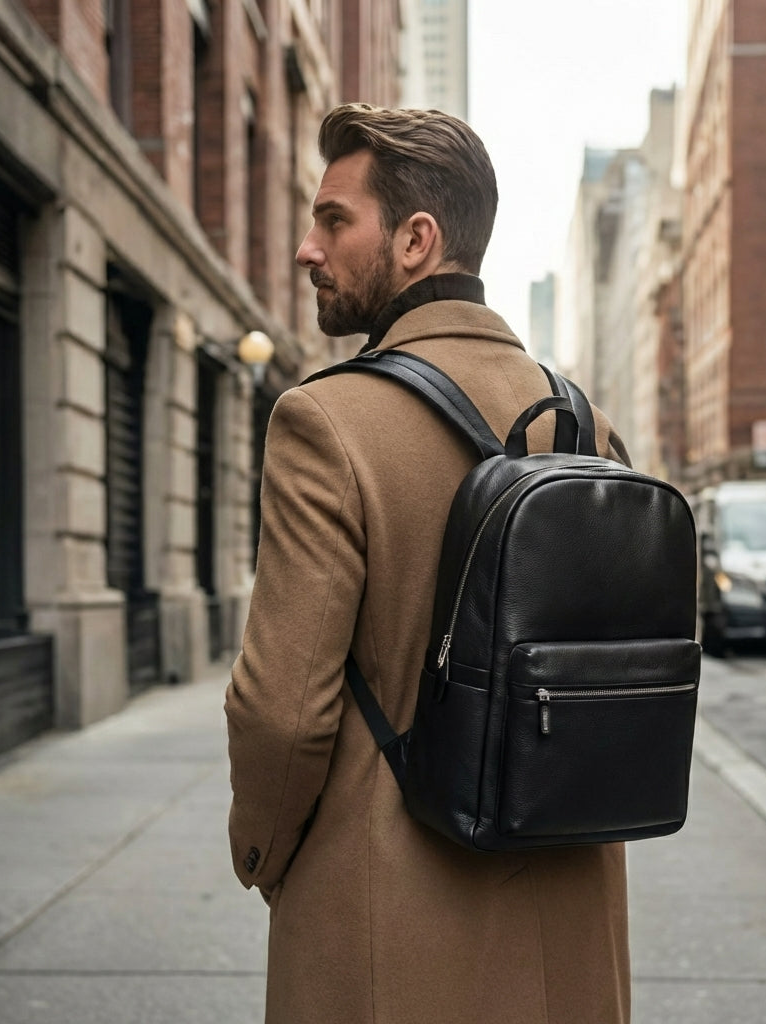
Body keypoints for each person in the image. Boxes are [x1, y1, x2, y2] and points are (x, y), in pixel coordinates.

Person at [225, 103, 632, 1024]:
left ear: (416, 240)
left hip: (384, 929)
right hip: (573, 925)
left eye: (334, 220)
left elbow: (282, 711)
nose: (306, 249)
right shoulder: (587, 427)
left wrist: (264, 853)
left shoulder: (324, 421)